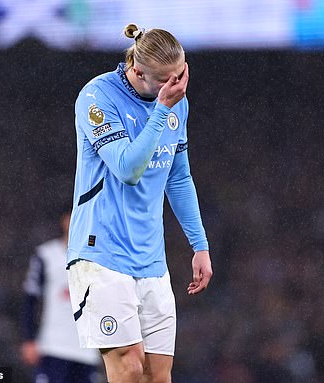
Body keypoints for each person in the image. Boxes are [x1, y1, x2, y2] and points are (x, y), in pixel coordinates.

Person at [66, 23, 213, 383]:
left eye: (180, 77)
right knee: (129, 368)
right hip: (101, 254)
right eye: (166, 81)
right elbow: (128, 169)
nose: (176, 87)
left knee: (157, 377)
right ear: (137, 72)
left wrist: (200, 245)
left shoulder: (177, 104)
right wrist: (161, 110)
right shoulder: (97, 97)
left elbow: (178, 177)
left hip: (151, 259)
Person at [21, 210, 101, 383]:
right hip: (53, 346)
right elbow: (30, 298)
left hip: (87, 351)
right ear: (64, 220)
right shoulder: (46, 255)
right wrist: (29, 338)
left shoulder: (98, 258)